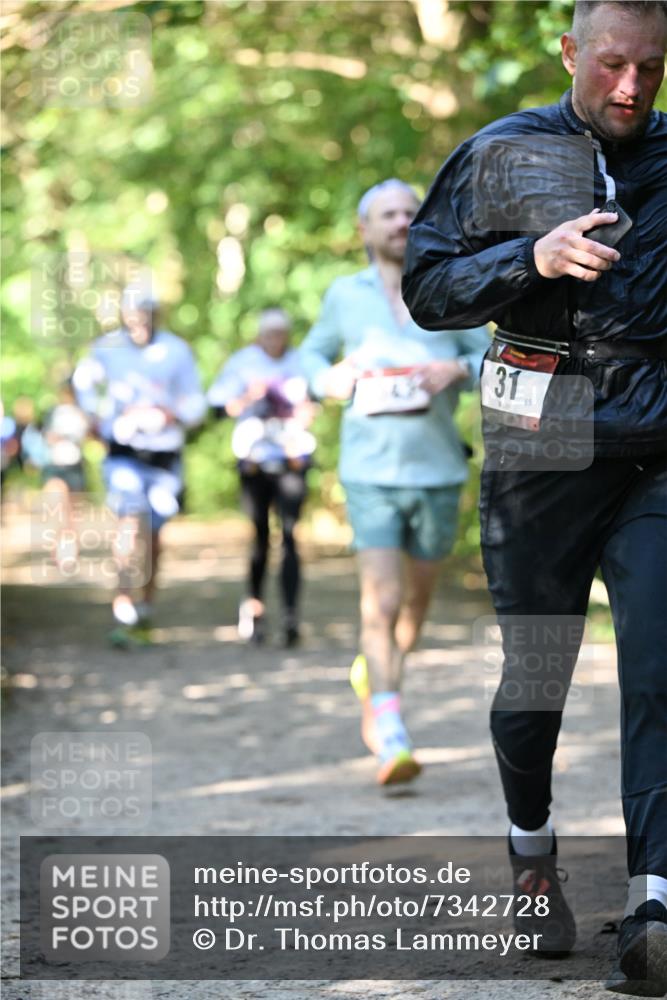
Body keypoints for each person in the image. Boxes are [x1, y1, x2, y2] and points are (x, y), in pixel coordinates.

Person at [403, 0, 667, 988]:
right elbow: (428, 290)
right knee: (535, 676)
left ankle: (653, 903)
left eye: (649, 67)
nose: (630, 87)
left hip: (654, 442)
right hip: (540, 434)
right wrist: (531, 257)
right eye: (610, 65)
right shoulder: (503, 153)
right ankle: (531, 854)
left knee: (658, 667)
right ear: (569, 54)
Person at [300, 179, 489, 786]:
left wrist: (456, 367)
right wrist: (329, 377)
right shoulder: (343, 296)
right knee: (380, 601)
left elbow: (496, 359)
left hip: (437, 470)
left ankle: (376, 673)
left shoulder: (450, 284)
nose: (402, 222)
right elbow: (310, 357)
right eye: (389, 214)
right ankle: (391, 730)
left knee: (413, 606)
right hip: (369, 473)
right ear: (365, 228)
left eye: (411, 212)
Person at [73, 280, 206, 647]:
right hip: (124, 454)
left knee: (154, 535)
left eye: (147, 314)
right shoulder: (106, 349)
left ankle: (145, 605)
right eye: (134, 315)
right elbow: (83, 386)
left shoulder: (177, 351)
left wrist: (171, 413)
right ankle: (123, 603)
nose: (140, 322)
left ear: (156, 315)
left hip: (164, 456)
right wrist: (97, 420)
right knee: (129, 524)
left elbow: (197, 403)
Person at [208, 307, 316, 648]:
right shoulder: (243, 363)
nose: (276, 340)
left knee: (290, 534)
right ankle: (254, 606)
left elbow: (317, 400)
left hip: (292, 459)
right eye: (269, 334)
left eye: (281, 333)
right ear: (260, 336)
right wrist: (245, 398)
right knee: (259, 537)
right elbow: (215, 406)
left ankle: (290, 614)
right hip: (254, 462)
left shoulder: (302, 362)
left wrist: (307, 411)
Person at [22, 380, 90, 571]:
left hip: (73, 464)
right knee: (56, 508)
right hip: (53, 464)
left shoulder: (80, 413)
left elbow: (86, 435)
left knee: (72, 511)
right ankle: (59, 547)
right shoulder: (51, 413)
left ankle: (69, 548)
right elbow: (40, 435)